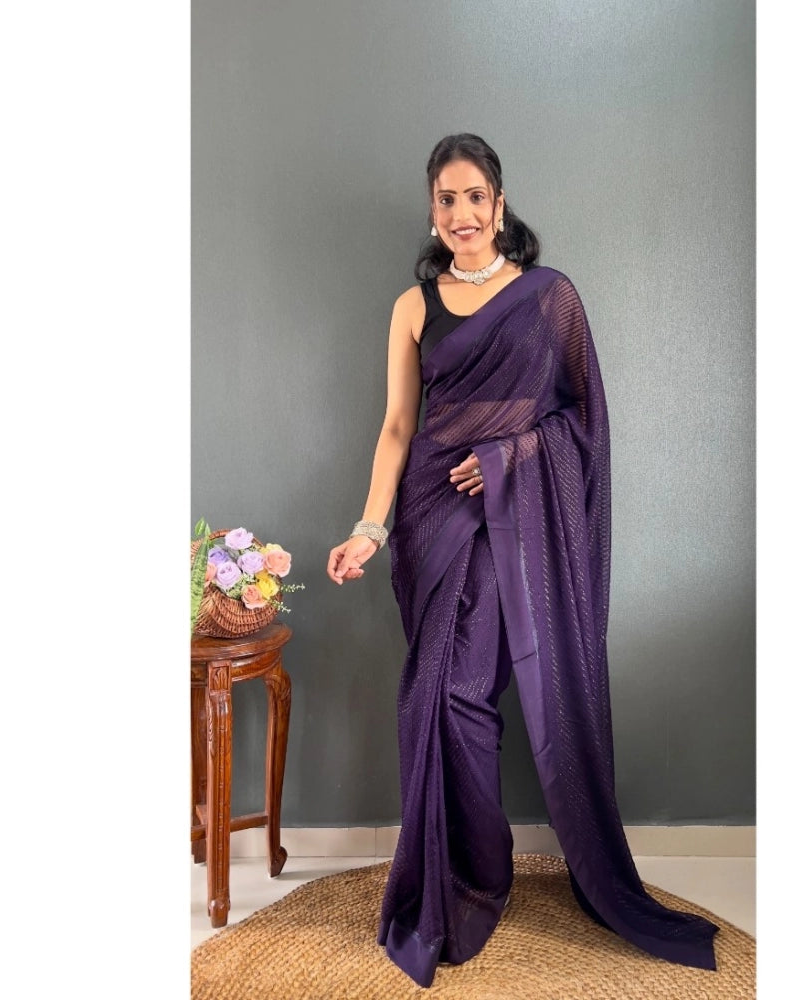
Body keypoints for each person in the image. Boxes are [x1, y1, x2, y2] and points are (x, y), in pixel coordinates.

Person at [327, 133, 719, 989]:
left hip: (510, 518)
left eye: (475, 196)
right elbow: (398, 428)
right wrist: (370, 527)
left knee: (459, 693)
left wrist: (509, 458)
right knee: (433, 698)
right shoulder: (412, 306)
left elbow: (584, 422)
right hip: (431, 516)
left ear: (500, 205)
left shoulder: (549, 298)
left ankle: (475, 876)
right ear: (433, 210)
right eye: (447, 199)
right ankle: (462, 873)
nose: (461, 213)